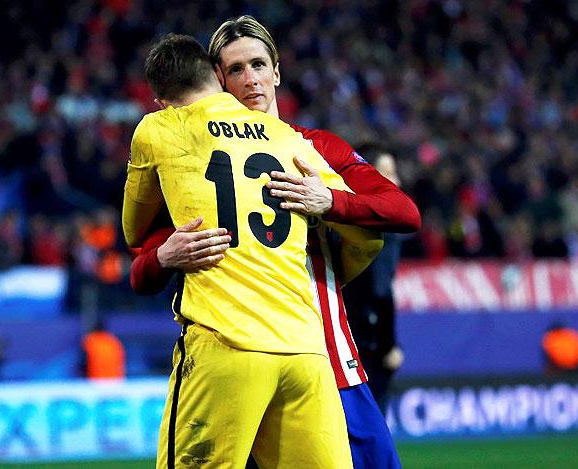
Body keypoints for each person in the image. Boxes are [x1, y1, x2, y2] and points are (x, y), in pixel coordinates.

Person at [131, 16, 421, 469]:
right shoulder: (190, 159)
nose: (250, 80)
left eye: (258, 65)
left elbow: (403, 210)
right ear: (217, 81)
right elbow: (141, 262)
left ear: (277, 71)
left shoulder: (314, 147)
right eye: (235, 70)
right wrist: (162, 259)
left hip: (327, 362)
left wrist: (330, 201)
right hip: (240, 367)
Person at [343, 143, 407, 411]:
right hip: (365, 344)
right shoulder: (378, 226)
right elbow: (380, 289)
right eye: (388, 172)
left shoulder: (340, 217)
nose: (397, 181)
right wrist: (387, 344)